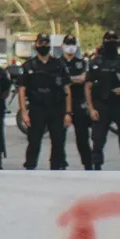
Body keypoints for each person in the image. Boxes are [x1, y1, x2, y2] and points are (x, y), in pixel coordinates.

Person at [19, 32, 73, 170]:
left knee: (58, 141)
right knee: (34, 141)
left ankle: (56, 168)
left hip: (56, 107)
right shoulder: (29, 66)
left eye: (46, 43)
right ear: (36, 45)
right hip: (37, 108)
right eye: (41, 43)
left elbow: (67, 89)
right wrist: (24, 113)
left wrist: (68, 112)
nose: (44, 45)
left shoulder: (58, 64)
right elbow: (22, 90)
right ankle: (30, 167)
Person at [86, 31, 120, 170]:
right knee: (98, 140)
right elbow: (88, 86)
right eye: (108, 39)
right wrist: (91, 108)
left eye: (114, 39)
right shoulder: (96, 62)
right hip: (102, 105)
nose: (111, 42)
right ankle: (97, 168)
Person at [61, 35, 95, 170]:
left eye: (73, 44)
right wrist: (72, 79)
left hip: (79, 102)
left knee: (82, 137)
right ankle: (60, 164)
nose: (70, 46)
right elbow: (60, 81)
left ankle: (88, 165)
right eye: (68, 43)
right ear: (62, 46)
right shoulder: (57, 62)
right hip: (61, 103)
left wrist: (68, 79)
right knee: (59, 138)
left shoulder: (82, 62)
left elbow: (83, 79)